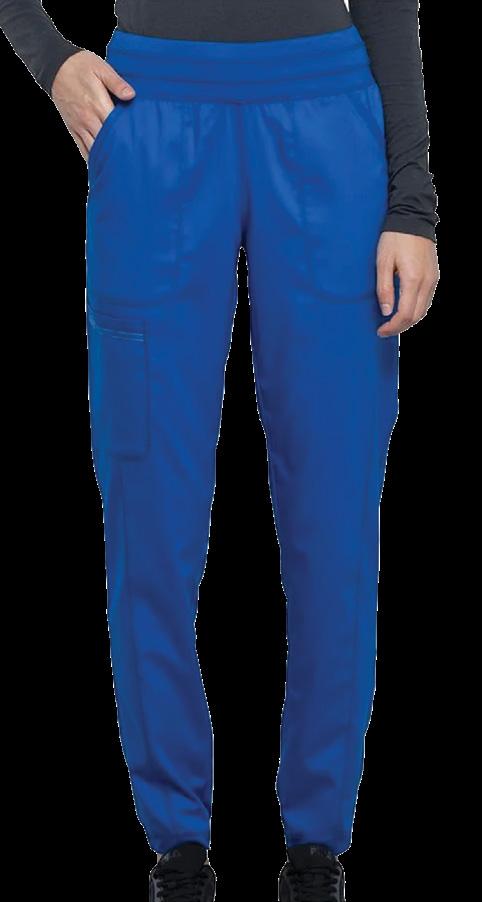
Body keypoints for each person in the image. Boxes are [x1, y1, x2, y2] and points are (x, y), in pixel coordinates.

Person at [0, 2, 439, 900]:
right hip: (152, 112)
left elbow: (388, 2)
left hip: (327, 117)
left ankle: (317, 846)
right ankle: (177, 848)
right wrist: (46, 52)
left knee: (335, 504)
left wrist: (412, 202)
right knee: (148, 500)